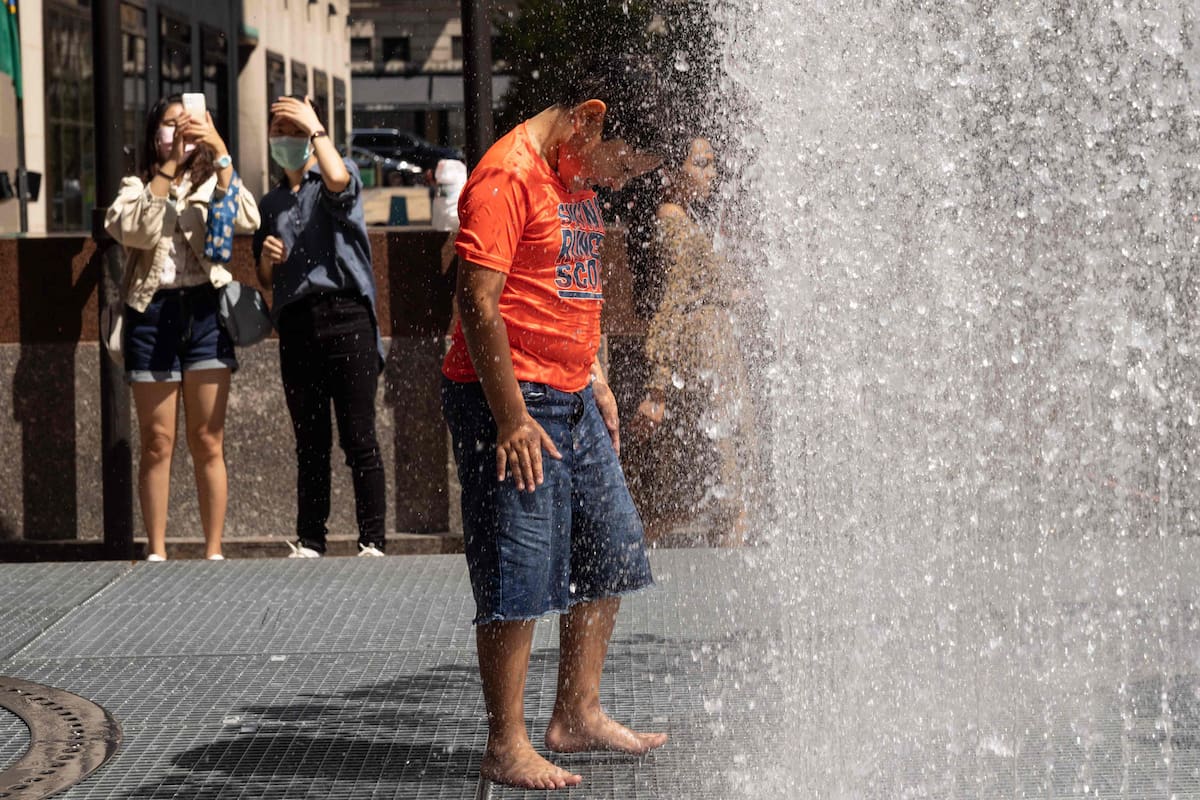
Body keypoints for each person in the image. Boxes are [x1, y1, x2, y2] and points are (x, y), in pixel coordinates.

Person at [441, 77, 667, 790]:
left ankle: (576, 711)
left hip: (571, 391)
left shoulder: (574, 179)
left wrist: (597, 377)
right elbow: (476, 300)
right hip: (507, 398)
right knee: (521, 567)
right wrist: (511, 419)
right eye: (625, 164)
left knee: (613, 546)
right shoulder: (506, 177)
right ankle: (505, 744)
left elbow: (577, 288)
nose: (623, 181)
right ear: (588, 120)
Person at [105, 95, 260, 562]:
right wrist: (169, 169)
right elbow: (134, 230)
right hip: (151, 315)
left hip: (207, 312)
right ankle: (156, 551)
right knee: (157, 441)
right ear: (154, 134)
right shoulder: (138, 186)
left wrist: (221, 153)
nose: (178, 131)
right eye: (169, 125)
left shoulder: (215, 181)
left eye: (188, 123)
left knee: (208, 438)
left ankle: (213, 551)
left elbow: (247, 218)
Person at [252, 96, 388, 559]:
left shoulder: (333, 171)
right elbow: (266, 279)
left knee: (359, 435)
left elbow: (338, 181)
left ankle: (372, 539)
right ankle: (311, 539)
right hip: (295, 323)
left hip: (347, 316)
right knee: (310, 442)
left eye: (293, 131)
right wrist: (267, 264)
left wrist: (315, 128)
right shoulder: (270, 201)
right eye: (278, 131)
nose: (284, 140)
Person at [627, 136, 754, 547]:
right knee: (720, 483)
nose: (711, 174)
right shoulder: (671, 221)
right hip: (702, 357)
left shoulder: (688, 219)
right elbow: (673, 301)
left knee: (722, 485)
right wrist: (657, 387)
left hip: (715, 355)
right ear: (671, 171)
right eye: (700, 164)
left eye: (712, 164)